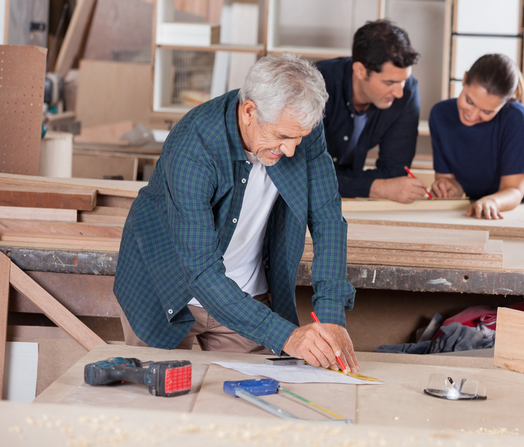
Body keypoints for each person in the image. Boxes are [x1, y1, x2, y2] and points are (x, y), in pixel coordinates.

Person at [113, 53, 359, 373]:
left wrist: (330, 318)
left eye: (298, 138)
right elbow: (201, 271)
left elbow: (327, 217)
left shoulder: (297, 126)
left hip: (247, 295)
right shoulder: (194, 143)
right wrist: (287, 335)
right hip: (166, 290)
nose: (291, 151)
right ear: (249, 111)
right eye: (282, 137)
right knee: (163, 400)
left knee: (257, 402)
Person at [429, 53, 524, 219]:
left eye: (487, 111)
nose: (473, 115)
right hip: (482, 209)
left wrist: (492, 202)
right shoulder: (441, 115)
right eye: (469, 101)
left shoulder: (519, 120)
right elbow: (451, 181)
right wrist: (448, 188)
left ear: (504, 104)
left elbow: (514, 190)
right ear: (464, 79)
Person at [316, 19, 428, 203]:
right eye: (389, 82)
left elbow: (394, 171)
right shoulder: (315, 86)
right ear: (360, 70)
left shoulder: (407, 91)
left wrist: (358, 185)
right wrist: (376, 188)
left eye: (404, 80)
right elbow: (304, 175)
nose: (399, 93)